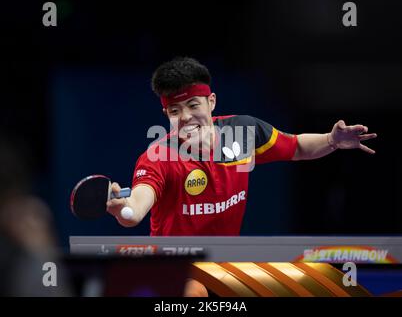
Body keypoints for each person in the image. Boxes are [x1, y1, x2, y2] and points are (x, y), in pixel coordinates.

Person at [106, 57, 377, 296]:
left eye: (193, 105)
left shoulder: (243, 131)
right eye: (175, 111)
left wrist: (332, 140)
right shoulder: (158, 156)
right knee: (192, 293)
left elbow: (297, 147)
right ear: (166, 114)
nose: (186, 117)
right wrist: (124, 209)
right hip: (176, 267)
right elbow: (139, 202)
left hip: (226, 263)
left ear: (211, 101)